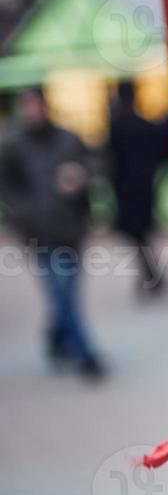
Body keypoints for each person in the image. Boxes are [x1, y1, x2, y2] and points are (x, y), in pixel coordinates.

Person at [0, 87, 105, 378]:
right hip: (38, 233)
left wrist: (80, 176)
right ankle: (86, 354)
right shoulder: (12, 145)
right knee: (61, 292)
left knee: (66, 293)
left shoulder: (67, 138)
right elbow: (6, 186)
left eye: (35, 105)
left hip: (70, 229)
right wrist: (26, 212)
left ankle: (56, 338)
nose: (31, 111)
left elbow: (96, 163)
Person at [106, 79, 168, 296]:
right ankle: (152, 275)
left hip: (126, 191)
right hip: (146, 188)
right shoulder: (143, 125)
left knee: (138, 237)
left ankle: (153, 276)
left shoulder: (116, 126)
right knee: (141, 236)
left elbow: (110, 161)